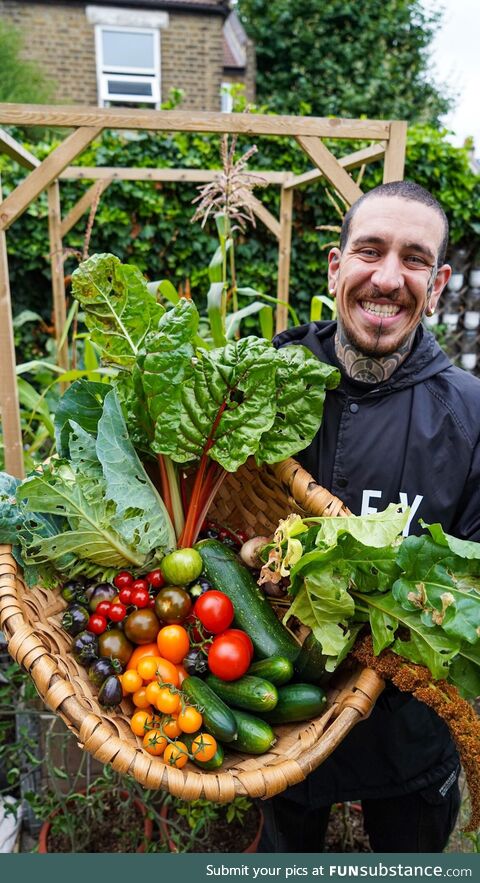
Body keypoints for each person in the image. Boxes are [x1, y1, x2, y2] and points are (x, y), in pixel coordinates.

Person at [259, 180, 480, 853]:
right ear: (336, 266)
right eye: (370, 251)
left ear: (437, 283)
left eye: (414, 259)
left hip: (409, 733)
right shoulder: (269, 378)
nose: (388, 278)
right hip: (278, 709)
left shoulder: (471, 414)